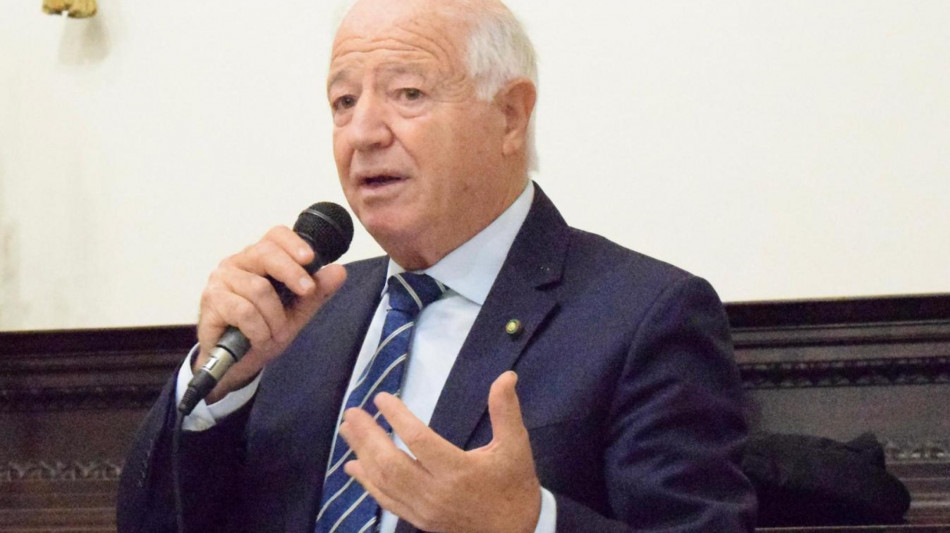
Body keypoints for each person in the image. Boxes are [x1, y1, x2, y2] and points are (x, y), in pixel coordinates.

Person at [117, 0, 757, 531]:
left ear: (510, 115)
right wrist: (219, 389)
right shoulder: (301, 313)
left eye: (408, 93)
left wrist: (529, 524)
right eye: (343, 101)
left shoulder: (645, 316)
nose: (363, 132)